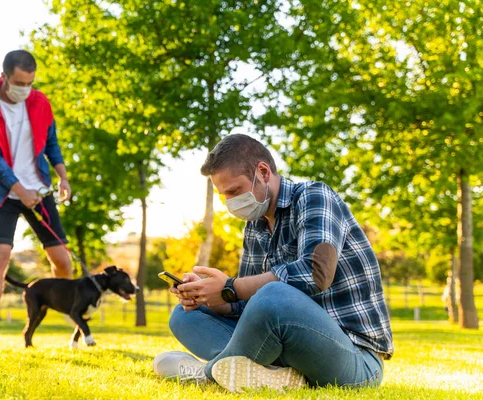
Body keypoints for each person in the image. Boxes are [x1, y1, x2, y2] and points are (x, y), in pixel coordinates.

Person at [153, 134, 394, 392]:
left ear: (263, 171)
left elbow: (316, 274)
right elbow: (248, 305)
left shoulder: (314, 196)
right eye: (224, 195)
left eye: (234, 191)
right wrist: (211, 295)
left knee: (274, 294)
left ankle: (208, 373)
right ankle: (268, 374)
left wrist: (230, 287)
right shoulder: (254, 226)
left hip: (354, 357)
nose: (230, 203)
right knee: (185, 315)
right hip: (289, 351)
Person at [0, 50, 73, 351]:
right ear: (4, 77)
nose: (25, 89)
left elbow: (51, 142)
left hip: (39, 189)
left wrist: (63, 176)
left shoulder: (40, 102)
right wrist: (19, 190)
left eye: (29, 83)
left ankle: (69, 314)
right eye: (19, 83)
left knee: (62, 262)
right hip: (2, 192)